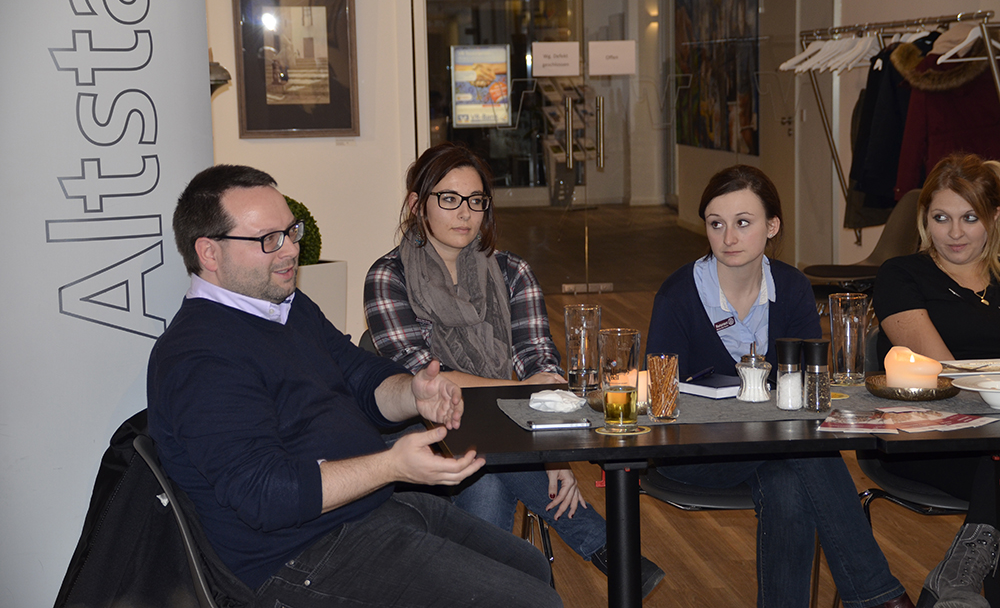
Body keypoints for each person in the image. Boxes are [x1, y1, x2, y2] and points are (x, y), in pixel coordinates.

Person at [146, 164, 563, 608]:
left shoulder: (286, 306)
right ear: (209, 253)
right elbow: (266, 496)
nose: (290, 250)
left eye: (290, 232)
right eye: (269, 239)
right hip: (297, 558)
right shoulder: (198, 356)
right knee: (532, 602)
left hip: (368, 511)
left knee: (531, 567)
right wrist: (391, 466)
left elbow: (361, 376)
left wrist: (414, 393)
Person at [364, 142, 665, 598]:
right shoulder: (389, 276)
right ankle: (610, 552)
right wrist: (522, 397)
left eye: (476, 200)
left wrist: (555, 455)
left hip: (507, 434)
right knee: (484, 459)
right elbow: (425, 378)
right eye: (449, 198)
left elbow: (540, 363)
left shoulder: (512, 272)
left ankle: (490, 592)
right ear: (416, 204)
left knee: (486, 473)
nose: (465, 213)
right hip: (420, 435)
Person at [646, 164, 914, 608]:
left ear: (772, 226)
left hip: (776, 444)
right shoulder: (677, 295)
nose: (728, 237)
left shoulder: (791, 287)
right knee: (804, 452)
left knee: (789, 483)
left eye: (743, 222)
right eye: (716, 224)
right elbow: (661, 400)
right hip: (695, 452)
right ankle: (877, 596)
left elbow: (811, 387)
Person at [874, 153, 1000, 608]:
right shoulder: (901, 275)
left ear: (994, 218)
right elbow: (946, 375)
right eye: (941, 218)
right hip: (926, 435)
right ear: (925, 219)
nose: (955, 233)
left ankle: (953, 585)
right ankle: (953, 582)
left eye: (971, 218)